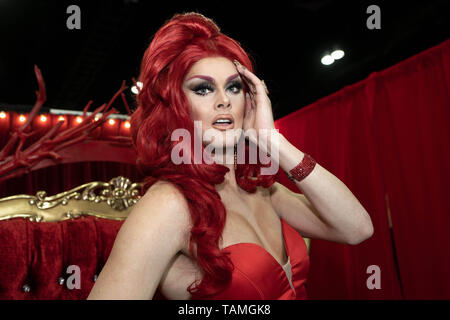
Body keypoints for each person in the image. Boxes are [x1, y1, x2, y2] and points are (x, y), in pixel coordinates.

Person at [87, 12, 373, 300]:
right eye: (203, 88)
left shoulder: (264, 192)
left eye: (234, 87)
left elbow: (356, 228)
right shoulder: (169, 204)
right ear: (176, 105)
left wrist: (273, 141)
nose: (223, 100)